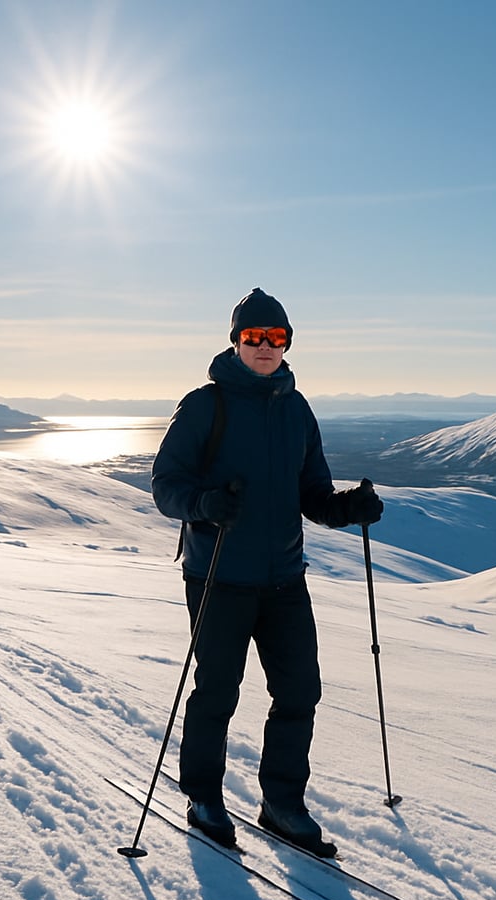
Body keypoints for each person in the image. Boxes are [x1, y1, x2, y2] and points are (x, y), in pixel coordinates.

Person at [151, 287, 383, 858]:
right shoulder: (206, 404)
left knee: (301, 691)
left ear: (286, 344)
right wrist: (204, 505)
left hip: (284, 579)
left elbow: (313, 495)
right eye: (253, 336)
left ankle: (282, 803)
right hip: (219, 578)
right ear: (235, 342)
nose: (264, 346)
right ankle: (203, 796)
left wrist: (346, 509)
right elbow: (166, 486)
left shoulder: (297, 409)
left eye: (275, 338)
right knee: (217, 692)